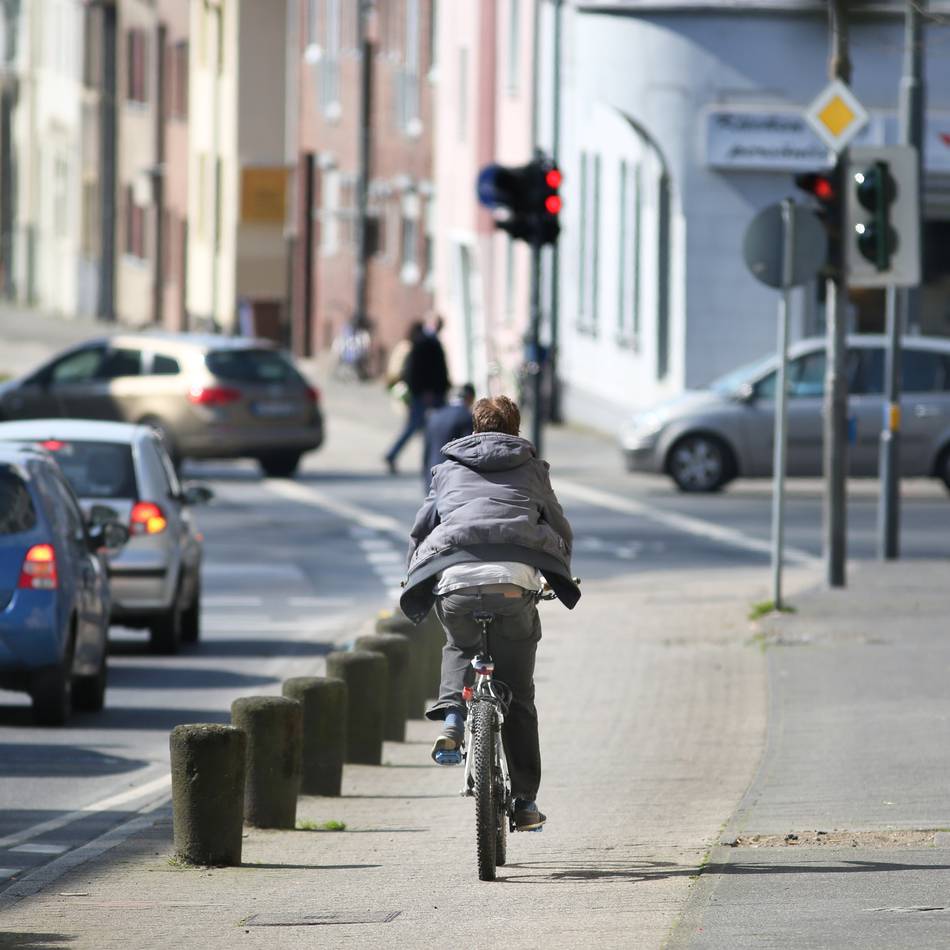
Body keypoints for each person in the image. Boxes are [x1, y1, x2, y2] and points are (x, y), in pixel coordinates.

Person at [400, 396, 580, 831]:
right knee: (519, 698)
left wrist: (412, 578)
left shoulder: (445, 470)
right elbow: (558, 525)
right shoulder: (533, 468)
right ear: (515, 428)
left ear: (474, 427)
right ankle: (524, 802)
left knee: (458, 643)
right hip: (513, 584)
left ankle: (453, 717)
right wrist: (561, 571)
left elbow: (423, 528)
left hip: (455, 580)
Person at [384, 316, 450, 473]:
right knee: (417, 426)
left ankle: (431, 460)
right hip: (426, 394)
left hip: (433, 393)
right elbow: (416, 371)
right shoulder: (424, 343)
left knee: (425, 427)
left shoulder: (430, 342)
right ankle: (395, 455)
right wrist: (424, 391)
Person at [422, 383, 476, 493]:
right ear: (470, 398)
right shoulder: (466, 416)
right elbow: (468, 452)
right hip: (453, 481)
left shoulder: (435, 415)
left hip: (432, 476)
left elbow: (427, 451)